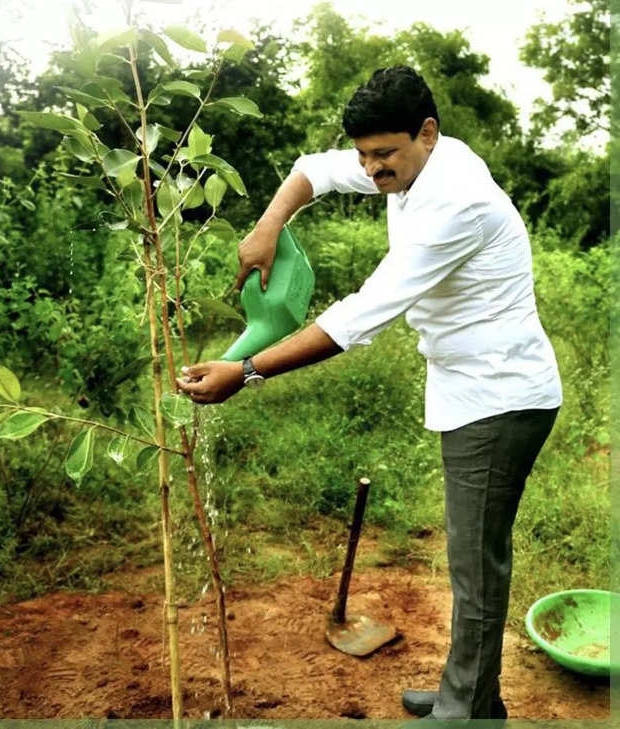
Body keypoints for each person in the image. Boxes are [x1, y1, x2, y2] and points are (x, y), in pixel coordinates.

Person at [176, 65, 562, 722]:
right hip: (471, 387)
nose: (372, 169)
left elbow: (361, 314)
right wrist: (269, 223)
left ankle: (464, 709)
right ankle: (469, 695)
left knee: (475, 564)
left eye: (384, 154)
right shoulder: (409, 162)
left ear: (427, 133)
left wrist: (245, 371)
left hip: (500, 397)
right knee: (471, 557)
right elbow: (313, 170)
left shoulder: (458, 198)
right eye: (365, 155)